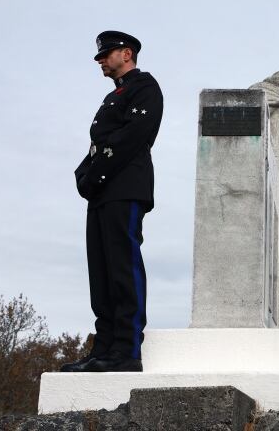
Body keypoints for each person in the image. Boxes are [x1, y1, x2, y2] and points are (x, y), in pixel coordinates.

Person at [61, 31, 163, 373]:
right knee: (101, 271)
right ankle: (103, 347)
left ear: (127, 53)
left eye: (107, 54)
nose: (101, 60)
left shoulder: (145, 87)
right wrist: (83, 175)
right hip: (104, 191)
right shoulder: (113, 97)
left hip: (126, 186)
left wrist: (95, 175)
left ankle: (126, 349)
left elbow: (130, 137)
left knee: (122, 265)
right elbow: (97, 144)